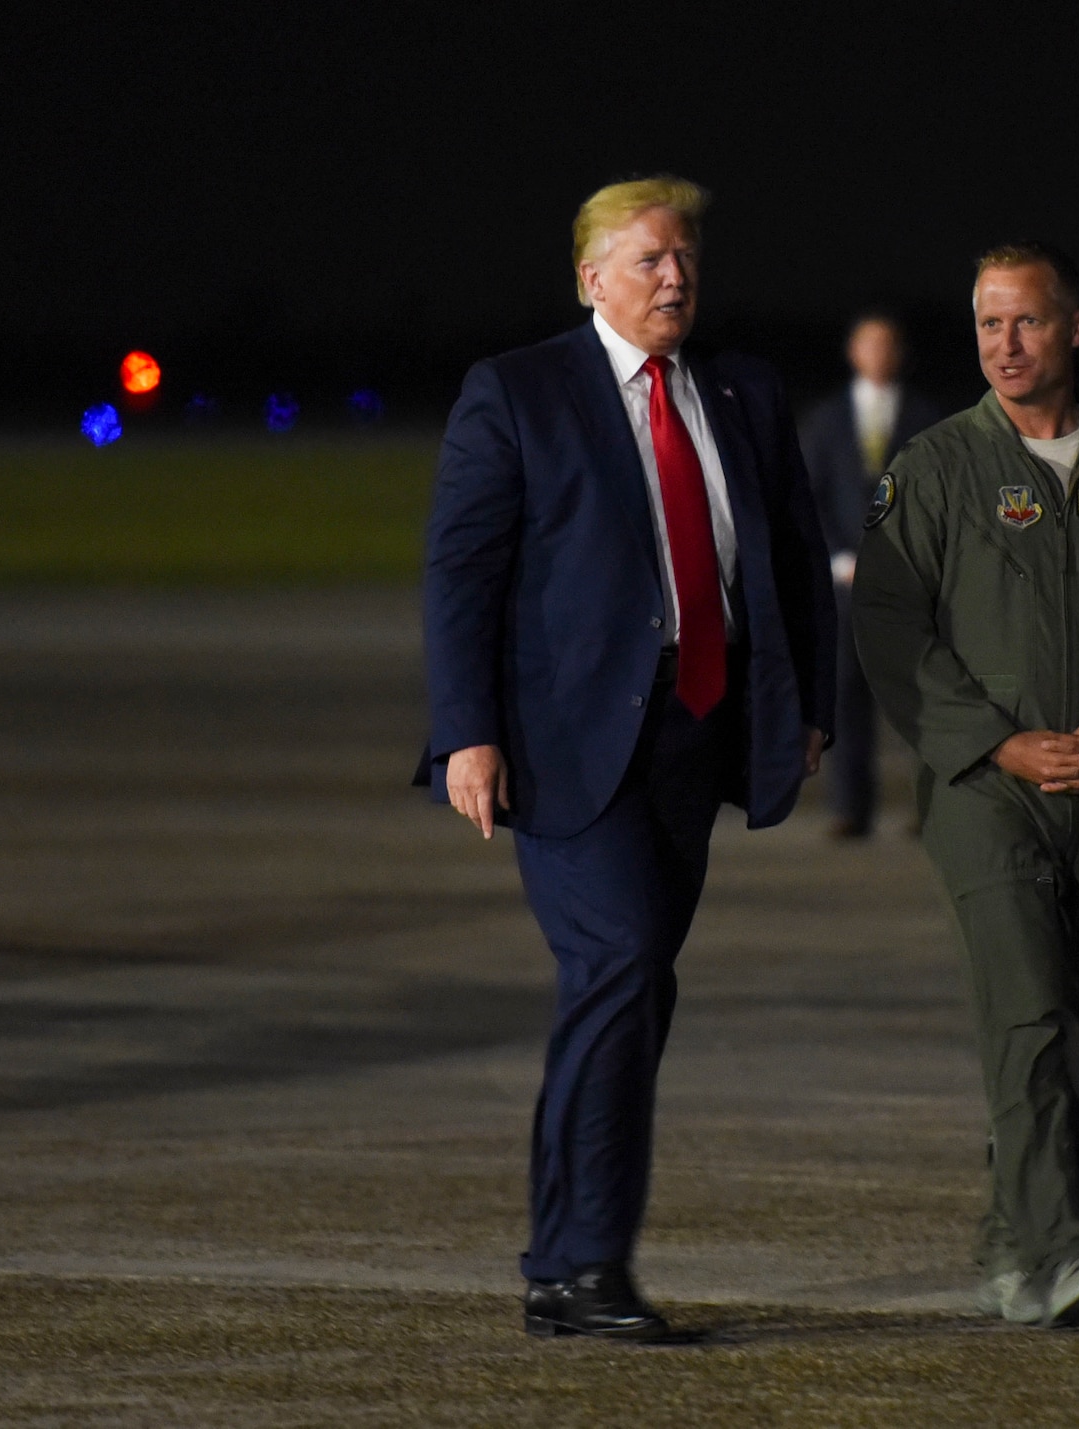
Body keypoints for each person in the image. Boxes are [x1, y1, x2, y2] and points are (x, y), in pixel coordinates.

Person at [415, 176, 835, 1342]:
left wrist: (806, 706)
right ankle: (580, 1266)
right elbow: (461, 572)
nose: (674, 277)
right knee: (623, 962)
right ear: (590, 276)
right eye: (648, 259)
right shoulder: (518, 391)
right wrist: (466, 728)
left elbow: (792, 556)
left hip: (695, 736)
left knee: (631, 990)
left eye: (686, 257)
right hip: (563, 746)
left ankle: (566, 1261)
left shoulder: (741, 390)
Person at [852, 243, 1079, 1327]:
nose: (1002, 345)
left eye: (1022, 324)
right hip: (981, 790)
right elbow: (887, 627)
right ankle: (1065, 1244)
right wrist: (997, 744)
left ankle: (1011, 1241)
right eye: (984, 324)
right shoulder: (933, 467)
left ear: (1067, 333)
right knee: (1029, 1009)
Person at [798, 314, 943, 837]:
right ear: (853, 352)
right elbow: (807, 496)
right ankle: (850, 809)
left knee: (919, 699)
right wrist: (837, 556)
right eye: (869, 344)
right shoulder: (826, 419)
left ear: (899, 353)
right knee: (846, 699)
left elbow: (939, 498)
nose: (879, 354)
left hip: (909, 584)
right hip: (845, 584)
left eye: (888, 345)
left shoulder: (927, 417)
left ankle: (929, 808)